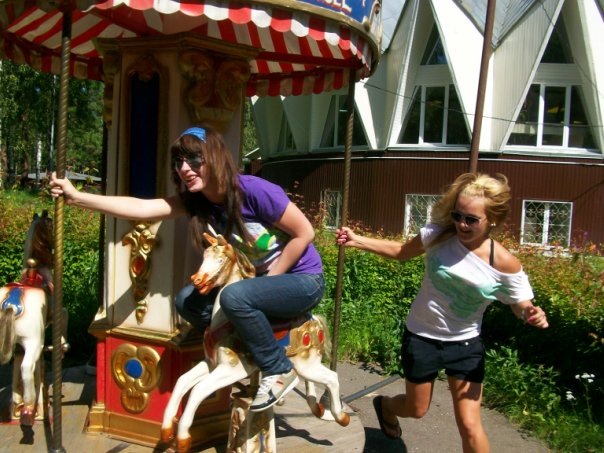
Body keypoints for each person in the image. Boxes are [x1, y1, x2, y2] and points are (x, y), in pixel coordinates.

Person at [50, 126, 325, 412]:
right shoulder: (199, 202)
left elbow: (305, 232)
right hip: (260, 285)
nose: (184, 168)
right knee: (187, 301)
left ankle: (277, 367)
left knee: (234, 296)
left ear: (214, 157)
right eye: (179, 161)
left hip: (303, 279)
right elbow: (144, 209)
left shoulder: (253, 190)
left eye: (194, 159)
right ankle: (246, 350)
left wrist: (267, 280)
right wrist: (77, 197)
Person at [335, 172, 549, 453]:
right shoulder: (439, 235)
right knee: (416, 409)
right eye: (457, 215)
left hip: (465, 344)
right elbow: (401, 251)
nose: (461, 224)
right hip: (421, 336)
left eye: (471, 219)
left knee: (470, 425)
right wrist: (357, 240)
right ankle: (386, 405)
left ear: (492, 220)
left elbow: (519, 302)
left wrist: (530, 313)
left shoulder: (504, 263)